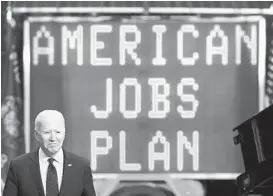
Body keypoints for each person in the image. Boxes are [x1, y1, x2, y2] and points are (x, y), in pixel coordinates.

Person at [3, 110, 96, 196]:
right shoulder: (18, 166)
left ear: (64, 133)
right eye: (47, 132)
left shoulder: (81, 167)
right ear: (37, 135)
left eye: (58, 132)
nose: (53, 138)